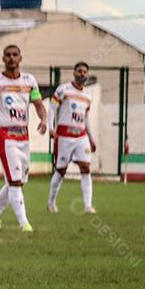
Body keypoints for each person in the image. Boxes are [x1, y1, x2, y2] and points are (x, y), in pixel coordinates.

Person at [0, 44, 47, 232]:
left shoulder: (29, 80)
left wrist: (43, 119)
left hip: (23, 136)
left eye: (15, 55)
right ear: (3, 59)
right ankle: (24, 223)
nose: (11, 58)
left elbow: (38, 103)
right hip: (4, 135)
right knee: (15, 181)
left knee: (16, 182)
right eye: (7, 55)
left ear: (20, 58)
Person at [47, 62, 96, 214]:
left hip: (81, 136)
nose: (82, 74)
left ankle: (88, 206)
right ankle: (51, 202)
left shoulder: (88, 96)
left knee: (86, 168)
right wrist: (50, 127)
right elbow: (52, 109)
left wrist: (91, 137)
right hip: (64, 135)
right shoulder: (63, 90)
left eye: (85, 72)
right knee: (61, 170)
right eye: (80, 71)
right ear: (74, 73)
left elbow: (85, 118)